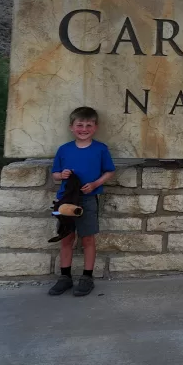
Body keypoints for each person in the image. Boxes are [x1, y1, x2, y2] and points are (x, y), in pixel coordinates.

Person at [48, 107, 115, 297]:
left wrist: (95, 184)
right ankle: (65, 277)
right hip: (66, 200)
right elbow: (55, 175)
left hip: (87, 199)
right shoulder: (64, 149)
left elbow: (109, 171)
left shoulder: (100, 149)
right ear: (71, 127)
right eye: (80, 125)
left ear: (95, 127)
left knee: (87, 238)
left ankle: (87, 277)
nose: (84, 129)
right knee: (66, 237)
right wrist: (61, 175)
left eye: (88, 125)